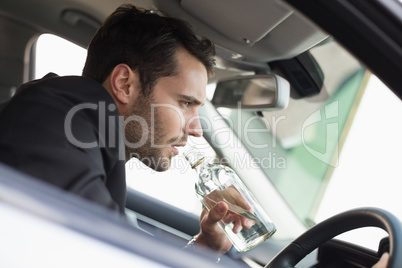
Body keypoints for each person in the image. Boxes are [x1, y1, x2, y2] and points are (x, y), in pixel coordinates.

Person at [0, 4, 390, 267]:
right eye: (186, 102)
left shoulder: (86, 132)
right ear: (124, 83)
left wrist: (202, 249)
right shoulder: (52, 119)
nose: (196, 126)